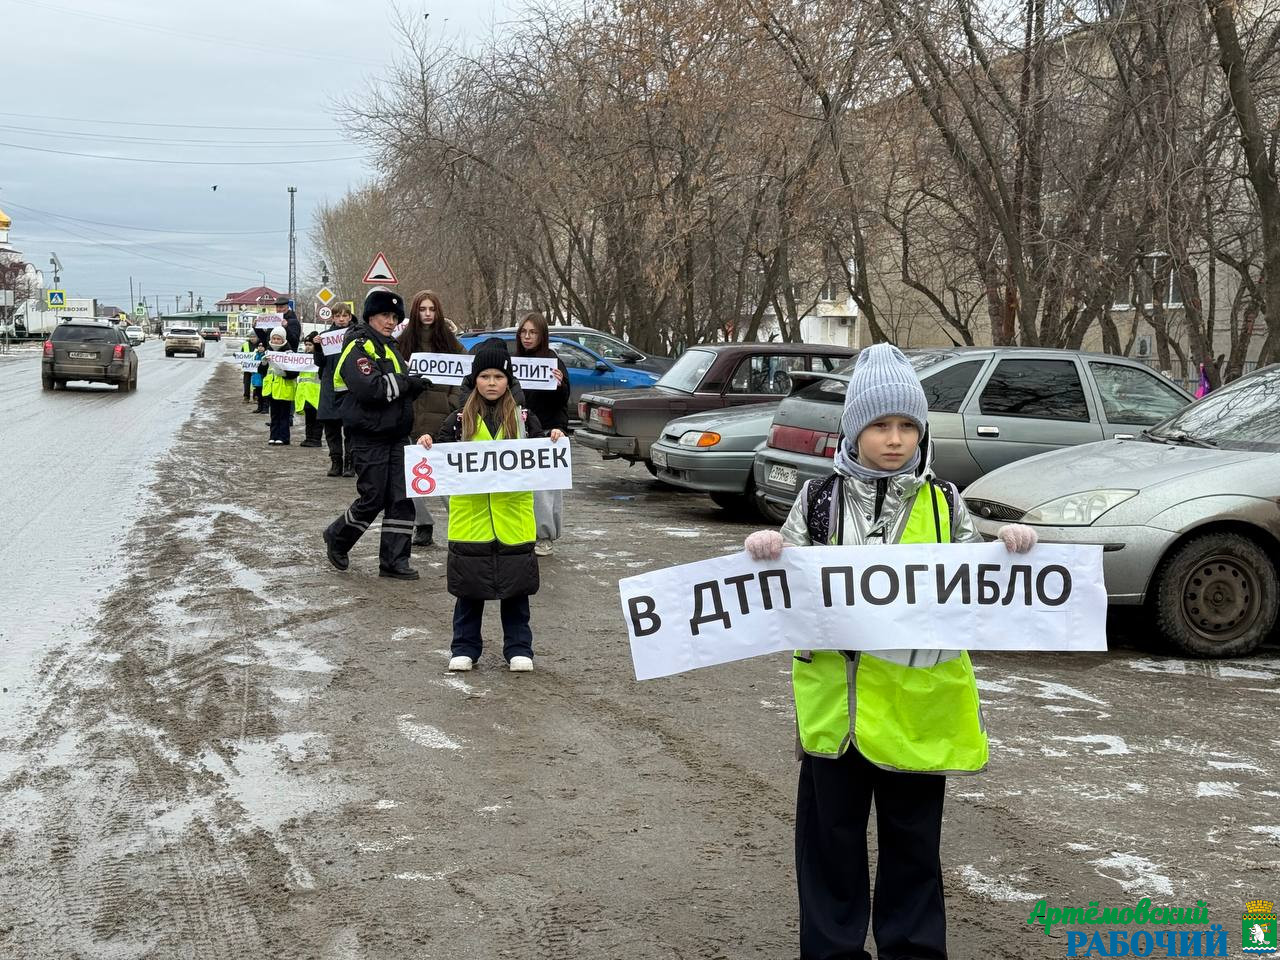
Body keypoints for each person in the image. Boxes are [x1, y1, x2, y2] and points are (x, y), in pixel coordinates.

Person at [741, 343, 1038, 960]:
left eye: (907, 426)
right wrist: (768, 544)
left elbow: (976, 579)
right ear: (854, 430)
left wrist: (1009, 545)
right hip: (836, 718)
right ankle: (831, 950)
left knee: (913, 850)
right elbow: (787, 576)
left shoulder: (944, 502)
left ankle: (913, 949)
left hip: (915, 716)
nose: (895, 439)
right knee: (830, 848)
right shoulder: (817, 501)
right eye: (880, 425)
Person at [417, 338, 566, 673]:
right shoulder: (457, 420)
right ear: (475, 380)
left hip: (514, 520)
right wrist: (427, 444)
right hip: (471, 521)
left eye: (498, 377)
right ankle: (464, 648)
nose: (492, 383)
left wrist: (554, 437)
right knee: (469, 592)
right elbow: (439, 460)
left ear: (508, 379)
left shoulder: (525, 419)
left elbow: (544, 458)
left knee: (516, 593)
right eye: (485, 377)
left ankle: (519, 648)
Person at [323, 290, 431, 580]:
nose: (390, 321)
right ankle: (338, 537)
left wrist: (411, 385)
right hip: (368, 435)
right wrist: (408, 385)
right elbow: (370, 389)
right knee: (373, 498)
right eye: (385, 315)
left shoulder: (390, 346)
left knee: (401, 498)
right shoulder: (358, 346)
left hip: (396, 436)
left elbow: (394, 386)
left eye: (395, 317)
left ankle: (395, 561)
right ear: (371, 316)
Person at [398, 289, 465, 548]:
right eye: (422, 309)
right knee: (413, 478)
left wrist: (451, 405)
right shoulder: (403, 342)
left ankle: (459, 526)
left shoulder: (451, 343)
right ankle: (423, 525)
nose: (427, 314)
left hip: (442, 419)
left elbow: (463, 378)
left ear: (438, 312)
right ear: (415, 312)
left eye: (431, 309)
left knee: (446, 479)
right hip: (411, 418)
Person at [513, 312, 570, 556]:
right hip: (517, 432)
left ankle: (544, 536)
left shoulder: (552, 361)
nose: (527, 337)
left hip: (547, 431)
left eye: (532, 332)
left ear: (542, 335)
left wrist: (560, 385)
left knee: (544, 489)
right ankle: (521, 532)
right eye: (523, 332)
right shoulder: (513, 361)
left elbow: (562, 402)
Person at [315, 302, 355, 477]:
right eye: (337, 316)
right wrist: (317, 346)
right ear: (333, 318)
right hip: (330, 386)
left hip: (350, 387)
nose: (341, 319)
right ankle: (336, 461)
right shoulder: (326, 336)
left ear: (350, 317)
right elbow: (319, 362)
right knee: (331, 426)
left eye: (344, 316)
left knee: (351, 428)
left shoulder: (357, 335)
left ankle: (350, 463)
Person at [261, 327, 299, 445]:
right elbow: (262, 372)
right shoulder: (268, 351)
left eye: (278, 338)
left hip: (285, 389)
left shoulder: (288, 352)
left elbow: (294, 372)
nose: (276, 341)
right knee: (274, 415)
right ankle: (273, 435)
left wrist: (284, 373)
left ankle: (284, 437)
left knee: (284, 415)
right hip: (272, 389)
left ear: (283, 340)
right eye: (274, 338)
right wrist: (263, 363)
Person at [295, 333, 324, 447]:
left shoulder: (320, 357)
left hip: (316, 393)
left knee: (317, 419)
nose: (307, 347)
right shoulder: (302, 358)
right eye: (306, 344)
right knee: (309, 418)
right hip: (305, 393)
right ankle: (308, 438)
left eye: (310, 344)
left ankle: (316, 439)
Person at [250, 341, 268, 413]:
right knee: (258, 394)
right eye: (259, 346)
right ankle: (259, 407)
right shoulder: (255, 355)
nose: (260, 347)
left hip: (263, 377)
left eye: (262, 346)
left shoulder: (265, 355)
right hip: (256, 377)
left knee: (264, 394)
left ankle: (265, 408)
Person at [239, 336, 254, 402]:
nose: (253, 338)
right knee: (246, 382)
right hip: (247, 367)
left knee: (256, 382)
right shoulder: (245, 344)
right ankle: (246, 397)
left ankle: (256, 397)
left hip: (256, 368)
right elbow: (241, 355)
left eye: (254, 336)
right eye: (251, 336)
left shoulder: (260, 344)